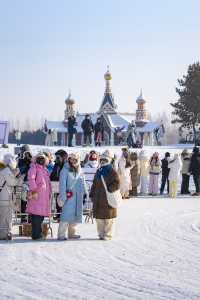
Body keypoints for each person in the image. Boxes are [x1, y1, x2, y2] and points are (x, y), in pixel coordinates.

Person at [90, 151, 120, 240]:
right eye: (101, 160)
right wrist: (92, 193)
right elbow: (94, 183)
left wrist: (110, 189)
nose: (102, 161)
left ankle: (108, 234)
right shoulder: (99, 170)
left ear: (109, 160)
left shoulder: (112, 170)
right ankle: (101, 234)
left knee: (109, 218)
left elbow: (117, 183)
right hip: (98, 198)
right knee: (99, 218)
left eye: (105, 160)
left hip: (108, 198)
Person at [57, 153, 88, 240]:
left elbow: (83, 182)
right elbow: (62, 185)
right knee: (66, 215)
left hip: (78, 196)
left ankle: (72, 233)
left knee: (75, 215)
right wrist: (63, 196)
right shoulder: (65, 170)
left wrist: (85, 193)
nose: (73, 161)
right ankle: (61, 234)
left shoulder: (80, 170)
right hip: (69, 196)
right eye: (71, 159)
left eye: (75, 159)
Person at [26, 153, 51, 240]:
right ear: (36, 159)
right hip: (36, 195)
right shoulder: (34, 168)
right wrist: (34, 190)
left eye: (43, 159)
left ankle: (37, 234)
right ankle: (36, 235)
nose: (41, 160)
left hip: (43, 196)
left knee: (40, 217)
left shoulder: (45, 170)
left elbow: (47, 183)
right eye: (39, 158)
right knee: (36, 216)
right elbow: (31, 179)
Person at [0, 154, 19, 240]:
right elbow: (12, 182)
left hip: (3, 197)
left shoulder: (2, 170)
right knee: (6, 217)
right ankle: (4, 234)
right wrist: (19, 179)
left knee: (3, 217)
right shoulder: (6, 171)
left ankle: (5, 233)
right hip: (5, 198)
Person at [50, 149, 68, 222]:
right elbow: (53, 175)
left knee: (63, 200)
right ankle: (59, 214)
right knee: (58, 199)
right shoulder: (56, 165)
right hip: (57, 185)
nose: (56, 159)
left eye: (58, 157)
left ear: (63, 158)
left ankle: (63, 214)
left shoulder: (66, 166)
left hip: (65, 186)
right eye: (56, 157)